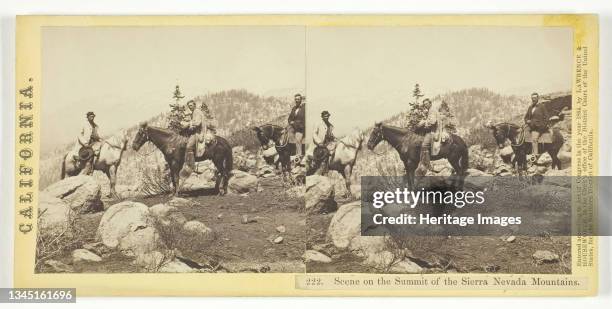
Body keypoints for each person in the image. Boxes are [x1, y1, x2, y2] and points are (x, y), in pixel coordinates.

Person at [415, 98, 448, 176]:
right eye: (424, 104)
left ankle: (427, 165)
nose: (425, 105)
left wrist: (424, 123)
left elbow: (433, 122)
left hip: (434, 131)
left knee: (424, 145)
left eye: (427, 103)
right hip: (434, 130)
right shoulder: (431, 110)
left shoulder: (432, 110)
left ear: (430, 103)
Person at [524, 92, 549, 161]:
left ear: (538, 98)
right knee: (522, 135)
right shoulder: (530, 107)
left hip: (538, 128)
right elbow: (525, 117)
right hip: (531, 126)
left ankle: (535, 155)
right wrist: (527, 121)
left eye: (535, 98)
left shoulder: (542, 106)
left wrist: (543, 126)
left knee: (534, 139)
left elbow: (547, 117)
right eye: (532, 98)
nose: (533, 99)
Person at [181, 100, 205, 170]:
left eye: (191, 105)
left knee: (189, 146)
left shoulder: (196, 112)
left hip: (199, 132)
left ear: (194, 105)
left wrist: (189, 125)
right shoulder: (194, 112)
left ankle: (191, 166)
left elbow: (198, 123)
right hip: (196, 131)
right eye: (189, 106)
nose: (190, 107)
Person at [288, 93, 305, 159]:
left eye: (298, 99)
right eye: (295, 99)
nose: (297, 100)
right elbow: (289, 118)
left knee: (298, 140)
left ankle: (299, 156)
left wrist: (294, 123)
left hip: (300, 128)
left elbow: (303, 120)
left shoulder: (304, 108)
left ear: (301, 100)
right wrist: (290, 122)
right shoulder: (294, 108)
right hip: (293, 128)